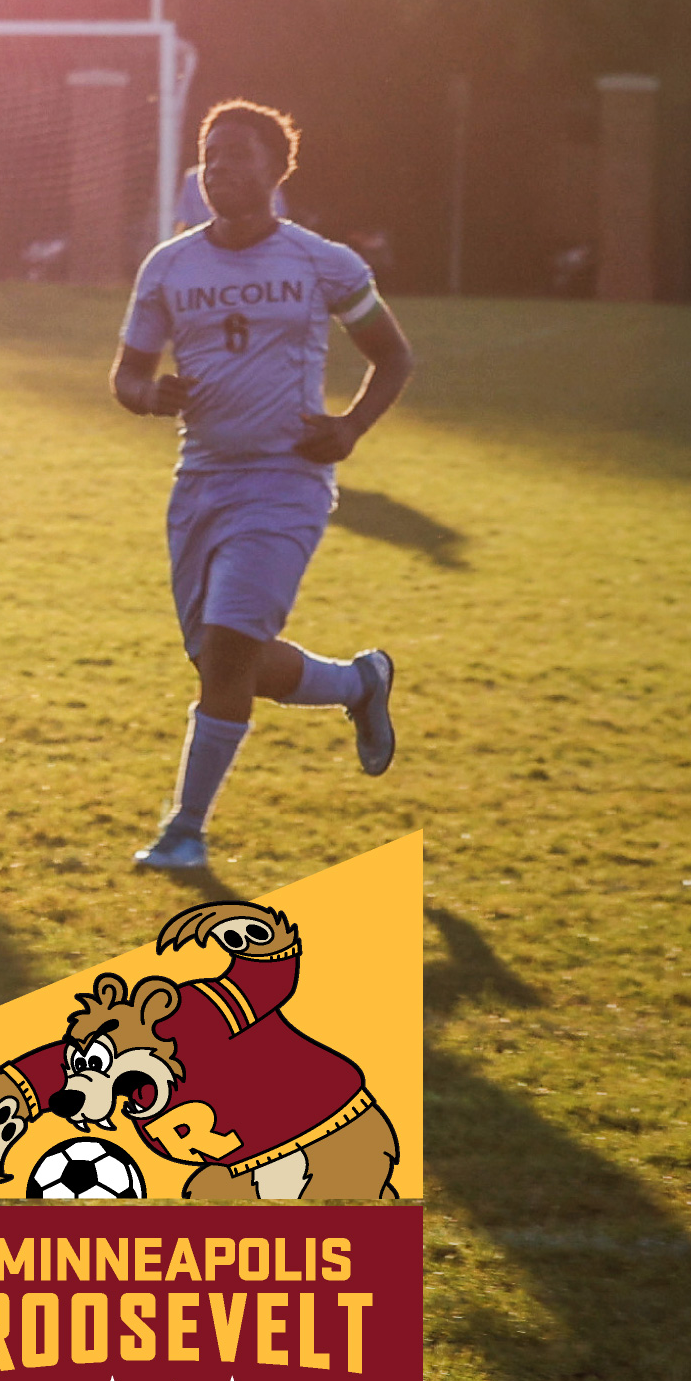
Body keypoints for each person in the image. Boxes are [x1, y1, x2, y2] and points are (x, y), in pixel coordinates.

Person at [111, 101, 412, 872]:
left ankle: (185, 830)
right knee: (220, 660)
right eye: (211, 156)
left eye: (238, 155)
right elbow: (127, 376)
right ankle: (356, 684)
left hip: (286, 483)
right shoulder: (169, 265)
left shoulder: (324, 262)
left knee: (230, 645)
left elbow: (392, 357)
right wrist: (150, 396)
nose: (220, 169)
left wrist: (348, 429)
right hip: (200, 483)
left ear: (278, 170)